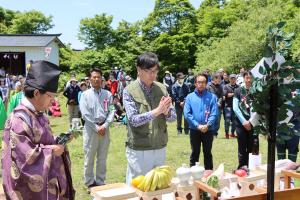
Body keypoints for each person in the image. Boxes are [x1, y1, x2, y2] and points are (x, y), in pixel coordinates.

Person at [2, 60, 75, 199]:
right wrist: (52, 151)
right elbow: (23, 160)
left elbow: (43, 141)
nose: (53, 101)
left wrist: (58, 141)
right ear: (36, 93)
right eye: (50, 96)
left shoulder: (39, 114)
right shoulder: (18, 119)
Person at [123, 52, 176, 184]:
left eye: (155, 71)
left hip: (159, 145)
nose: (153, 75)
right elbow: (133, 120)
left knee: (158, 186)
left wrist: (167, 112)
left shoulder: (162, 88)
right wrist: (157, 111)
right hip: (139, 148)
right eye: (149, 71)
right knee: (137, 187)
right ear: (139, 70)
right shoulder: (129, 90)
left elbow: (173, 117)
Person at [79, 68, 115, 190]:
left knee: (102, 157)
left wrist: (105, 125)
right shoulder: (85, 95)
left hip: (104, 128)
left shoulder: (108, 94)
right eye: (94, 77)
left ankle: (100, 181)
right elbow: (84, 114)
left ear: (101, 78)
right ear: (90, 79)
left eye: (98, 77)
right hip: (90, 129)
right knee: (89, 156)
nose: (96, 79)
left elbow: (112, 110)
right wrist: (96, 127)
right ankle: (89, 182)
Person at [184, 73, 218, 169]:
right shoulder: (190, 97)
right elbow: (187, 114)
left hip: (208, 130)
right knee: (195, 152)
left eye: (203, 82)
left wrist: (208, 125)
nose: (201, 84)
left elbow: (214, 113)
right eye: (199, 82)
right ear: (195, 83)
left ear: (206, 83)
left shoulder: (212, 97)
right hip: (194, 130)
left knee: (207, 153)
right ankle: (194, 174)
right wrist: (197, 125)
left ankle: (209, 174)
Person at [233, 71, 258, 169]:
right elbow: (235, 108)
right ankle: (242, 167)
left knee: (253, 146)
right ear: (243, 78)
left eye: (250, 78)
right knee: (242, 146)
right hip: (240, 123)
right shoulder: (238, 91)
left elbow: (258, 108)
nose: (248, 80)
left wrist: (251, 121)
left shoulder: (256, 91)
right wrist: (244, 121)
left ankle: (252, 167)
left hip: (253, 123)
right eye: (247, 78)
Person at [276, 90, 300, 162]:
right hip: (280, 123)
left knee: (293, 149)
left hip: (295, 123)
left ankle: (290, 172)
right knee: (280, 147)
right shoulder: (280, 86)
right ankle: (280, 171)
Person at [223, 74, 239, 138]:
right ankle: (227, 133)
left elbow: (239, 95)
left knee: (235, 121)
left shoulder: (238, 87)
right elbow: (226, 95)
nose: (233, 80)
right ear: (229, 79)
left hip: (236, 107)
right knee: (227, 120)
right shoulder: (225, 86)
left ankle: (232, 133)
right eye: (231, 78)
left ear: (236, 79)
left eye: (234, 78)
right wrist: (234, 93)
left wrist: (231, 94)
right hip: (228, 106)